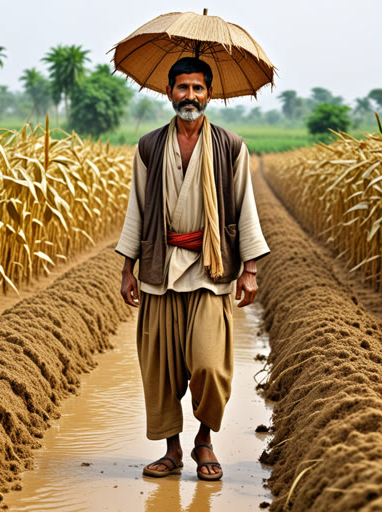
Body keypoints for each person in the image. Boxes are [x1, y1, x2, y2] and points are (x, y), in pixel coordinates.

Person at [115, 57, 270, 481]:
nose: (190, 97)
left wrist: (250, 268)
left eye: (198, 88)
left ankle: (204, 440)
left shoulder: (231, 146)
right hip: (160, 269)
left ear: (209, 94)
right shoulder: (148, 146)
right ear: (169, 93)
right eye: (182, 88)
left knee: (207, 365)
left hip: (210, 268)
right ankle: (172, 450)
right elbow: (138, 210)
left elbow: (245, 207)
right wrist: (128, 268)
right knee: (161, 369)